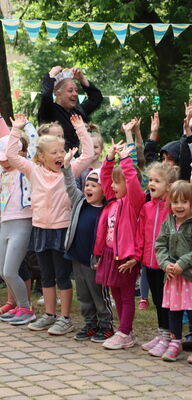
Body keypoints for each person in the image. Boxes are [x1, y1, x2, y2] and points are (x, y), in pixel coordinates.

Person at [6, 114, 94, 335]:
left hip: (62, 230)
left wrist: (80, 129)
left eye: (61, 151)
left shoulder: (68, 169)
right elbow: (11, 155)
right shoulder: (33, 170)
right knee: (46, 275)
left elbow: (89, 154)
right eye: (54, 153)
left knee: (62, 276)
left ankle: (65, 318)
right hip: (41, 229)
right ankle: (49, 315)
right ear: (42, 157)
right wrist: (16, 130)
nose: (59, 156)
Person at [93, 140, 145, 350]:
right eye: (113, 183)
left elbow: (132, 182)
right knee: (115, 293)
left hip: (126, 256)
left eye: (118, 183)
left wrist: (125, 161)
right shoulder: (113, 201)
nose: (113, 186)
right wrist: (109, 158)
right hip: (109, 253)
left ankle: (124, 332)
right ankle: (126, 331)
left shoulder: (134, 202)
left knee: (126, 295)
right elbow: (105, 179)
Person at [62, 152, 114, 343]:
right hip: (77, 256)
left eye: (94, 185)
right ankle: (90, 323)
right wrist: (67, 167)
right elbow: (69, 185)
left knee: (99, 294)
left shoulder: (108, 210)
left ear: (104, 190)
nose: (88, 188)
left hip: (95, 261)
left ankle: (106, 325)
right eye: (87, 185)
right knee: (83, 294)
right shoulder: (80, 202)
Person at [155, 181, 192, 364]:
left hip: (190, 276)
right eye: (175, 202)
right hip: (172, 276)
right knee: (173, 311)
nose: (179, 206)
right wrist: (165, 264)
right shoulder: (169, 220)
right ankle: (175, 341)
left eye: (184, 202)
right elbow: (160, 244)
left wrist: (181, 263)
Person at [134, 161, 179, 357]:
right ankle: (162, 334)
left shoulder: (173, 209)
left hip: (166, 265)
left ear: (168, 187)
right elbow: (141, 234)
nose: (151, 183)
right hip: (149, 263)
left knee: (167, 302)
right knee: (157, 300)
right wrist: (139, 256)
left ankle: (170, 336)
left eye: (157, 181)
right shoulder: (147, 207)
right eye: (150, 180)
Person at [0, 133, 36, 325]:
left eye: (8, 158)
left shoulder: (26, 171)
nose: (4, 162)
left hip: (21, 222)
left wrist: (15, 132)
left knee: (11, 270)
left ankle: (26, 307)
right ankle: (17, 306)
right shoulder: (2, 173)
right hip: (4, 223)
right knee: (3, 271)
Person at [38, 66, 103, 150]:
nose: (75, 94)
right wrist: (52, 74)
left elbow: (96, 98)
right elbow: (46, 95)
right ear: (58, 93)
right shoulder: (49, 111)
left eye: (76, 90)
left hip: (81, 159)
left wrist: (82, 79)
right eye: (70, 90)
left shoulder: (79, 110)